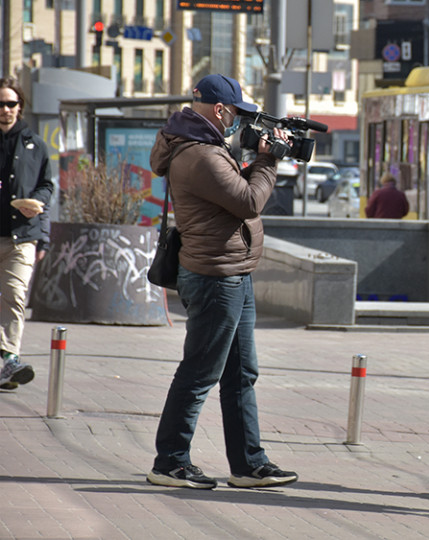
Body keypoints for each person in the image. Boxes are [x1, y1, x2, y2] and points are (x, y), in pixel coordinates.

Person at [146, 74, 298, 490]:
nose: (238, 122)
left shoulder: (203, 147)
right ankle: (170, 462)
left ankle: (248, 464)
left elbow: (231, 192)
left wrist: (255, 160)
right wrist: (269, 161)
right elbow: (248, 201)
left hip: (233, 273)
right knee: (199, 373)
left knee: (240, 373)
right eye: (236, 114)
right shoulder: (201, 155)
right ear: (219, 110)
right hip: (216, 278)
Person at [0, 77, 53, 391]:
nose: (5, 110)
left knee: (15, 297)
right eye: (0, 104)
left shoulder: (35, 143)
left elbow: (46, 184)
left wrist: (40, 204)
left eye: (10, 103)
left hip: (23, 236)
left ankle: (9, 360)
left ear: (20, 107)